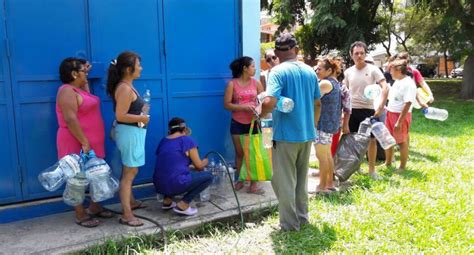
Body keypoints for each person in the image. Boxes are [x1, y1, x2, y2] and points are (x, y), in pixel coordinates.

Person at [260, 33, 321, 231]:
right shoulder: (310, 72)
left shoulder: (277, 72)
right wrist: (311, 125)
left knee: (284, 181)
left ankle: (288, 225)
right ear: (296, 50)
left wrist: (260, 113)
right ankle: (302, 218)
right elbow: (318, 103)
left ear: (277, 52)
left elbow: (270, 101)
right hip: (306, 134)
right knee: (301, 181)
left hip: (285, 136)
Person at [56, 57, 114, 227]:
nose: (86, 73)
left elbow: (88, 97)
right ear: (74, 74)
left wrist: (85, 74)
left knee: (96, 174)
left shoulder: (79, 90)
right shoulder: (66, 91)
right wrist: (84, 141)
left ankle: (95, 207)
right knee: (77, 178)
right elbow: (70, 118)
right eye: (83, 71)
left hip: (90, 142)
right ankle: (80, 214)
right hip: (76, 141)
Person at [106, 51, 149, 227]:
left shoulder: (128, 86)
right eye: (138, 65)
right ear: (128, 69)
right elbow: (121, 115)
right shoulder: (124, 88)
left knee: (129, 171)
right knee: (129, 175)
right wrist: (141, 118)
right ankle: (127, 214)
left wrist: (141, 111)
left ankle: (130, 202)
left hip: (133, 134)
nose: (141, 68)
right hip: (130, 134)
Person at [343, 41, 389, 180]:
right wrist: (342, 113)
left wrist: (380, 106)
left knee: (371, 141)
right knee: (352, 140)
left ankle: (372, 171)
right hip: (351, 110)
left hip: (368, 110)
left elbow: (385, 87)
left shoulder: (373, 69)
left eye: (362, 53)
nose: (359, 56)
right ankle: (354, 169)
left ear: (365, 54)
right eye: (356, 53)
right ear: (351, 55)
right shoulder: (348, 72)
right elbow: (344, 93)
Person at [153, 117, 211, 216]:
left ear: (170, 131)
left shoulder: (163, 141)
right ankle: (184, 204)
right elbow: (199, 166)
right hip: (174, 184)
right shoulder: (187, 140)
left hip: (158, 184)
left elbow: (170, 164)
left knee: (170, 174)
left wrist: (190, 166)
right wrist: (205, 161)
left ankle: (167, 201)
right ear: (184, 130)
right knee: (208, 176)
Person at [224, 56, 265, 194]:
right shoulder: (232, 84)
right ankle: (240, 179)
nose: (255, 68)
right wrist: (244, 107)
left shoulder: (256, 83)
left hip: (254, 123)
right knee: (240, 153)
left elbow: (263, 101)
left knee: (254, 153)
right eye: (253, 66)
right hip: (237, 123)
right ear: (245, 68)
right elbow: (227, 104)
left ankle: (254, 183)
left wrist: (258, 110)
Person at [314, 57, 343, 193]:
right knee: (327, 154)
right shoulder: (335, 82)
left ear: (329, 70)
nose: (317, 70)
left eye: (320, 68)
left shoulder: (324, 83)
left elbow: (314, 101)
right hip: (331, 124)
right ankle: (330, 184)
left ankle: (322, 186)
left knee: (322, 156)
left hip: (322, 124)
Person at [384, 59, 417, 172]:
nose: (390, 73)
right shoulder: (397, 81)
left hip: (400, 115)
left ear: (398, 70)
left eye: (391, 70)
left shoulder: (408, 83)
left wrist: (399, 121)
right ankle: (388, 162)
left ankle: (402, 167)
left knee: (401, 141)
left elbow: (407, 103)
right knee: (388, 139)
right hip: (390, 113)